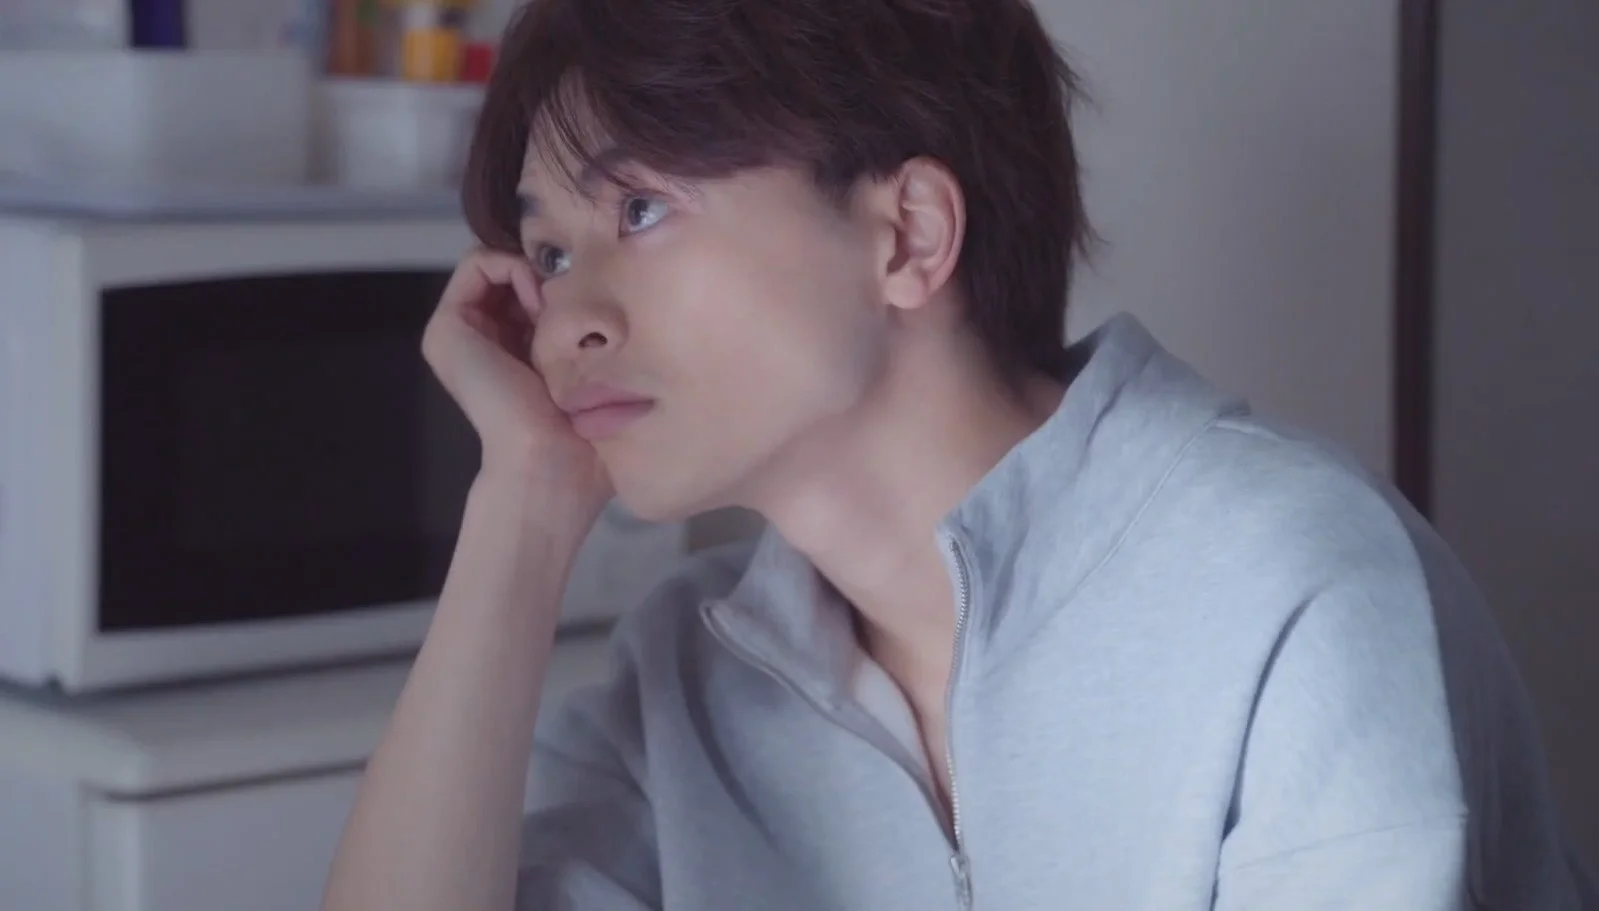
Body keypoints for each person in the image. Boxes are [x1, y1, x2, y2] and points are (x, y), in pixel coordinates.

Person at [321, 0, 1597, 908]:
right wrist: (524, 505)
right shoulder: (687, 676)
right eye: (548, 252)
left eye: (640, 208)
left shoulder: (1288, 579)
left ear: (909, 235)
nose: (566, 318)